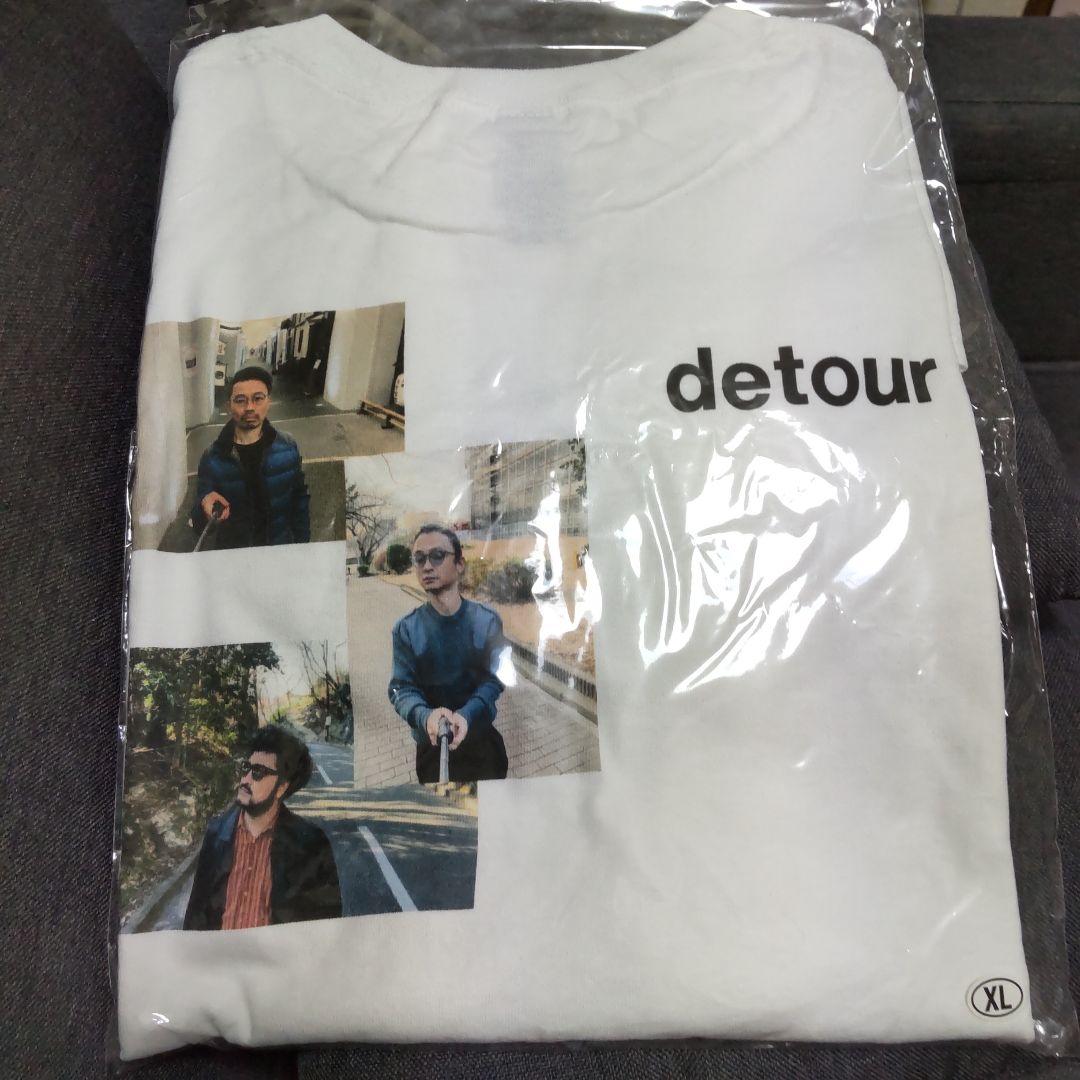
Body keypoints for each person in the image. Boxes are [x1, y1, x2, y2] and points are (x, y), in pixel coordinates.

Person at [183, 725, 341, 931]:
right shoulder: (216, 834)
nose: (246, 779)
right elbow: (195, 918)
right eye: (246, 768)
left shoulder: (311, 845)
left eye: (258, 772)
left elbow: (324, 927)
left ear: (282, 787)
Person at [388, 524, 511, 783]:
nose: (427, 566)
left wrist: (467, 714)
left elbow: (496, 678)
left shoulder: (487, 620)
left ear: (460, 564)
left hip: (482, 746)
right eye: (419, 558)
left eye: (437, 556)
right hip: (433, 751)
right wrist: (426, 716)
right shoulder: (406, 629)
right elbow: (401, 688)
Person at [191, 366, 310, 549]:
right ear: (229, 405)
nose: (249, 408)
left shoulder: (287, 447)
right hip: (234, 556)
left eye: (258, 398)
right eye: (240, 400)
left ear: (268, 402)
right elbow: (199, 523)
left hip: (279, 550)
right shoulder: (213, 457)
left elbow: (299, 500)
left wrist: (303, 547)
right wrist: (203, 508)